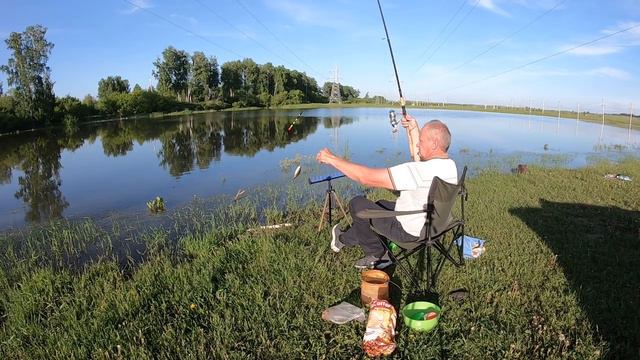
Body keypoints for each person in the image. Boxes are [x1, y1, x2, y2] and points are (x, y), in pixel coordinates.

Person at [316, 114, 457, 269]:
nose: (418, 146)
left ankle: (378, 255)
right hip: (434, 225)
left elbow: (365, 177)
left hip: (409, 233)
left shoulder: (419, 172)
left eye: (421, 142)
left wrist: (332, 159)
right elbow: (420, 159)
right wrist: (414, 129)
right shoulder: (449, 166)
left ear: (434, 144)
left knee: (357, 204)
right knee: (379, 205)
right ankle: (343, 239)